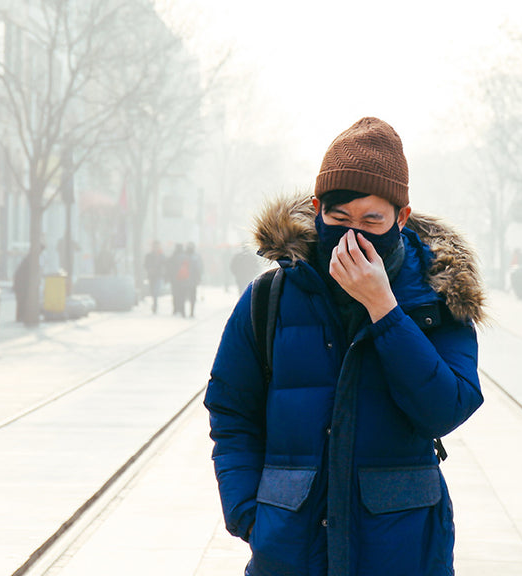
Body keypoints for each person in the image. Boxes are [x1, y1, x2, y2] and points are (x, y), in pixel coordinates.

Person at [204, 117, 484, 576]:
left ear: (401, 217)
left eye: (372, 220)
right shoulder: (269, 299)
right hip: (290, 551)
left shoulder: (440, 298)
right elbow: (230, 410)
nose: (354, 233)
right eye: (339, 218)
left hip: (402, 550)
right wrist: (249, 514)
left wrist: (385, 311)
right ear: (317, 209)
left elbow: (445, 410)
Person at [144, 240, 166, 314]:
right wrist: (149, 269)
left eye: (157, 246)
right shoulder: (149, 255)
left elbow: (165, 264)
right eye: (154, 246)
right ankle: (154, 302)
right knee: (152, 290)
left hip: (158, 275)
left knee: (156, 290)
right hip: (151, 276)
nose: (156, 247)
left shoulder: (161, 255)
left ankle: (155, 304)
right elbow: (145, 265)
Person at [168, 243, 187, 316]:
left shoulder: (173, 256)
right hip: (184, 279)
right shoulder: (185, 256)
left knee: (175, 294)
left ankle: (176, 308)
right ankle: (182, 309)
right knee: (182, 294)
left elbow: (169, 267)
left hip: (175, 279)